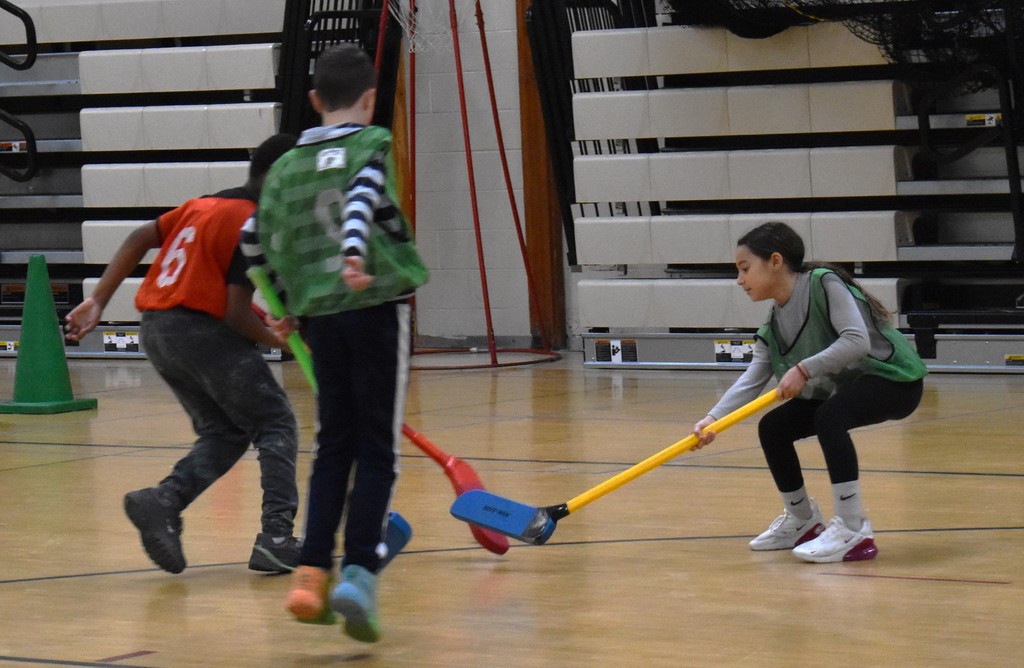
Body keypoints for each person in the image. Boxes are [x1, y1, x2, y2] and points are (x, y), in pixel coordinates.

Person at [239, 43, 428, 642]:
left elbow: (251, 240)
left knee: (331, 447)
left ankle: (310, 576)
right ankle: (359, 576)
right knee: (377, 451)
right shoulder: (370, 145)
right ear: (369, 100)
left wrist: (282, 306)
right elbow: (361, 199)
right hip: (371, 307)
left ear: (316, 100)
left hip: (319, 318)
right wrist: (352, 253)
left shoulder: (287, 166)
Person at [64, 133, 303, 575]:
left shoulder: (205, 205)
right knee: (275, 421)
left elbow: (140, 236)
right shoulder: (254, 222)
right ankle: (275, 536)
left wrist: (99, 298)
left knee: (227, 431)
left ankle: (164, 501)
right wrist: (281, 341)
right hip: (200, 330)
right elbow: (232, 313)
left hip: (156, 330)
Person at [692, 221, 926, 563]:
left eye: (744, 269)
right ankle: (802, 520)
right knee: (773, 427)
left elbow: (856, 341)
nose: (740, 280)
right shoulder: (773, 323)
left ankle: (853, 528)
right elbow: (753, 378)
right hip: (850, 388)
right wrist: (712, 420)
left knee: (829, 416)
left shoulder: (823, 284)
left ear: (775, 261)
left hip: (895, 381)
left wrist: (804, 369)